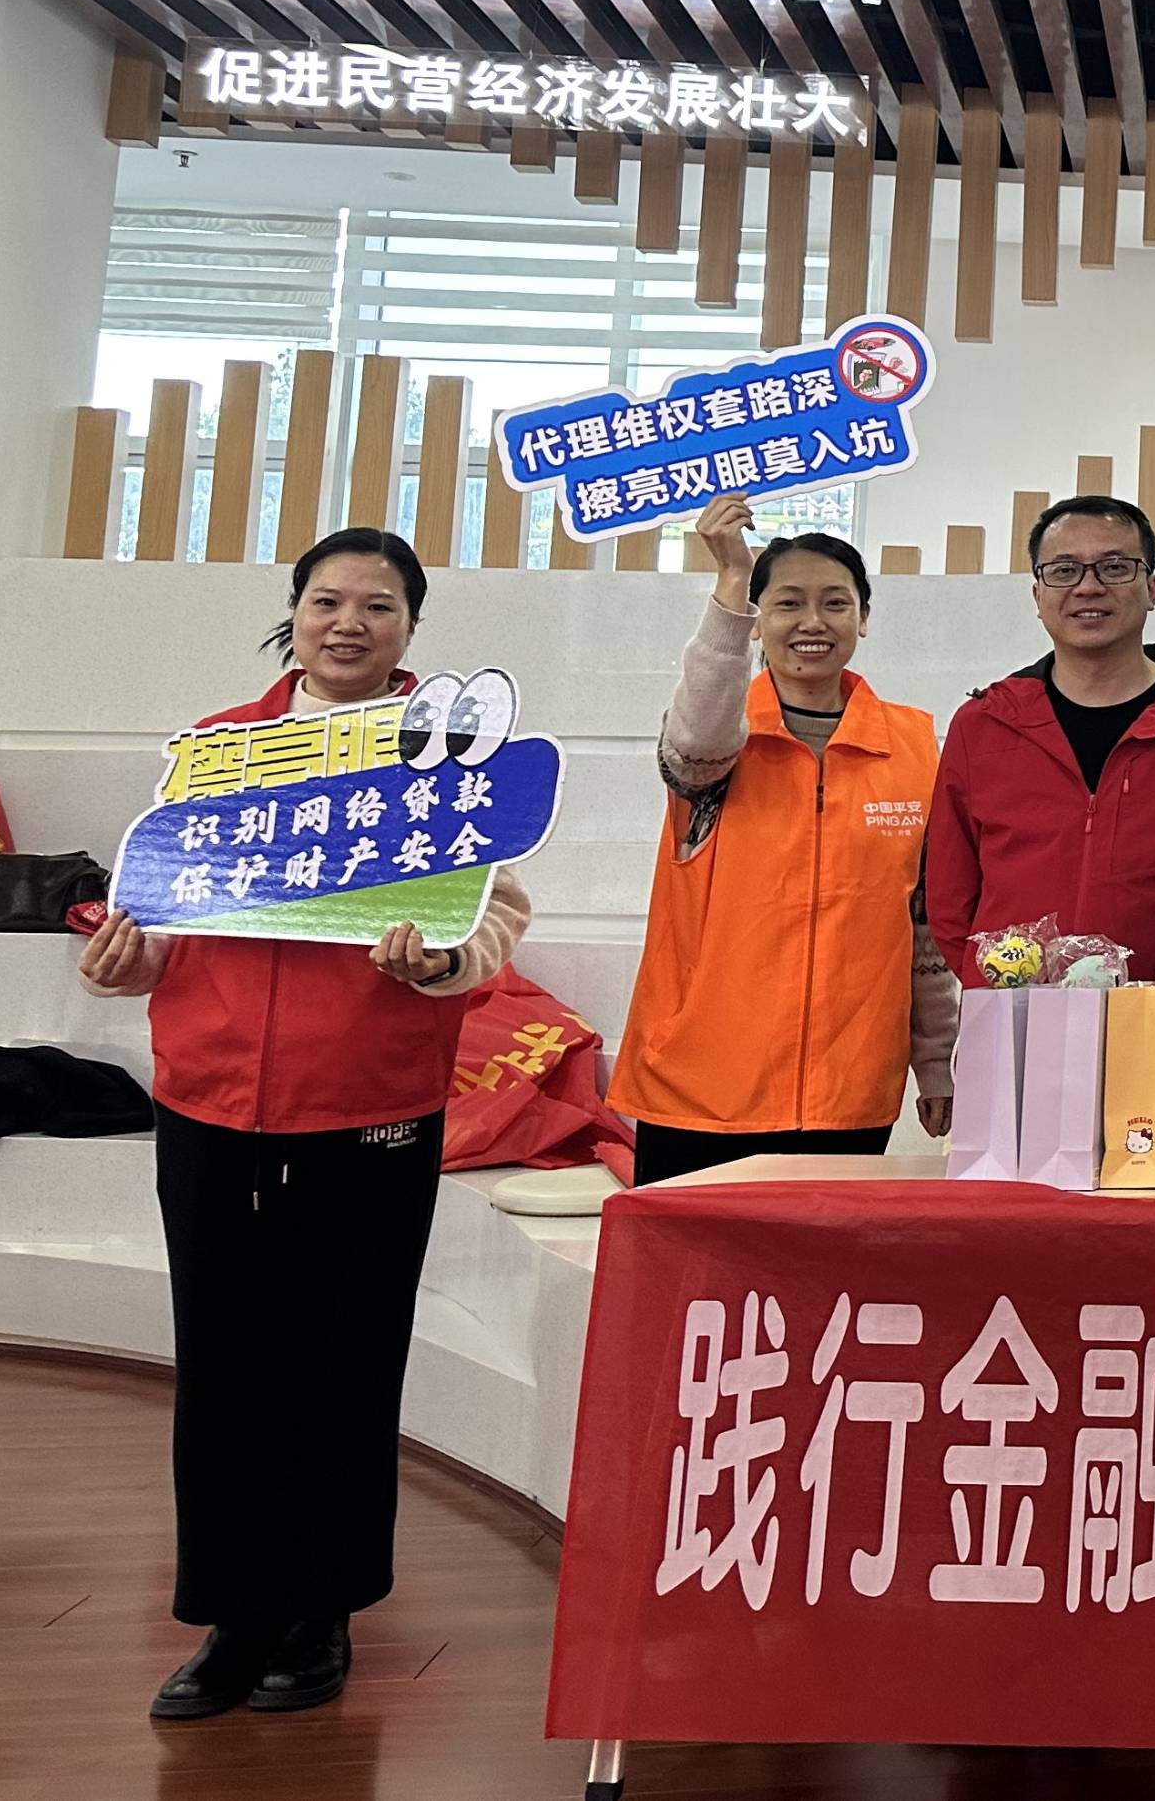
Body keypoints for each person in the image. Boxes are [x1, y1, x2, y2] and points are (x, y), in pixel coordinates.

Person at [74, 529, 531, 1724]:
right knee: (223, 1361)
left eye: (378, 606)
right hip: (211, 1099)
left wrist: (443, 959)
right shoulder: (221, 750)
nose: (349, 623)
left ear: (411, 629)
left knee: (347, 1361)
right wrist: (131, 959)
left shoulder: (445, 756)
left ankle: (322, 1611)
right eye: (328, 601)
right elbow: (166, 908)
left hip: (371, 1104)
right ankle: (231, 1615)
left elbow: (495, 915)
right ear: (295, 613)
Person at [609, 493, 958, 1185]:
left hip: (848, 1092)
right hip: (698, 1087)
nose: (812, 622)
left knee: (821, 1262)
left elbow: (923, 925)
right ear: (757, 619)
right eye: (787, 603)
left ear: (863, 618)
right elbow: (695, 742)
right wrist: (732, 581)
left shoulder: (914, 746)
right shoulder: (719, 739)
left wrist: (935, 1059)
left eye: (835, 603)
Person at [929, 495, 1155, 977]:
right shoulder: (982, 724)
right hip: (1013, 1008)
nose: (1088, 587)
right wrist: (994, 987)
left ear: (1151, 589)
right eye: (1064, 570)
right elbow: (949, 898)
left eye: (1114, 567)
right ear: (1037, 595)